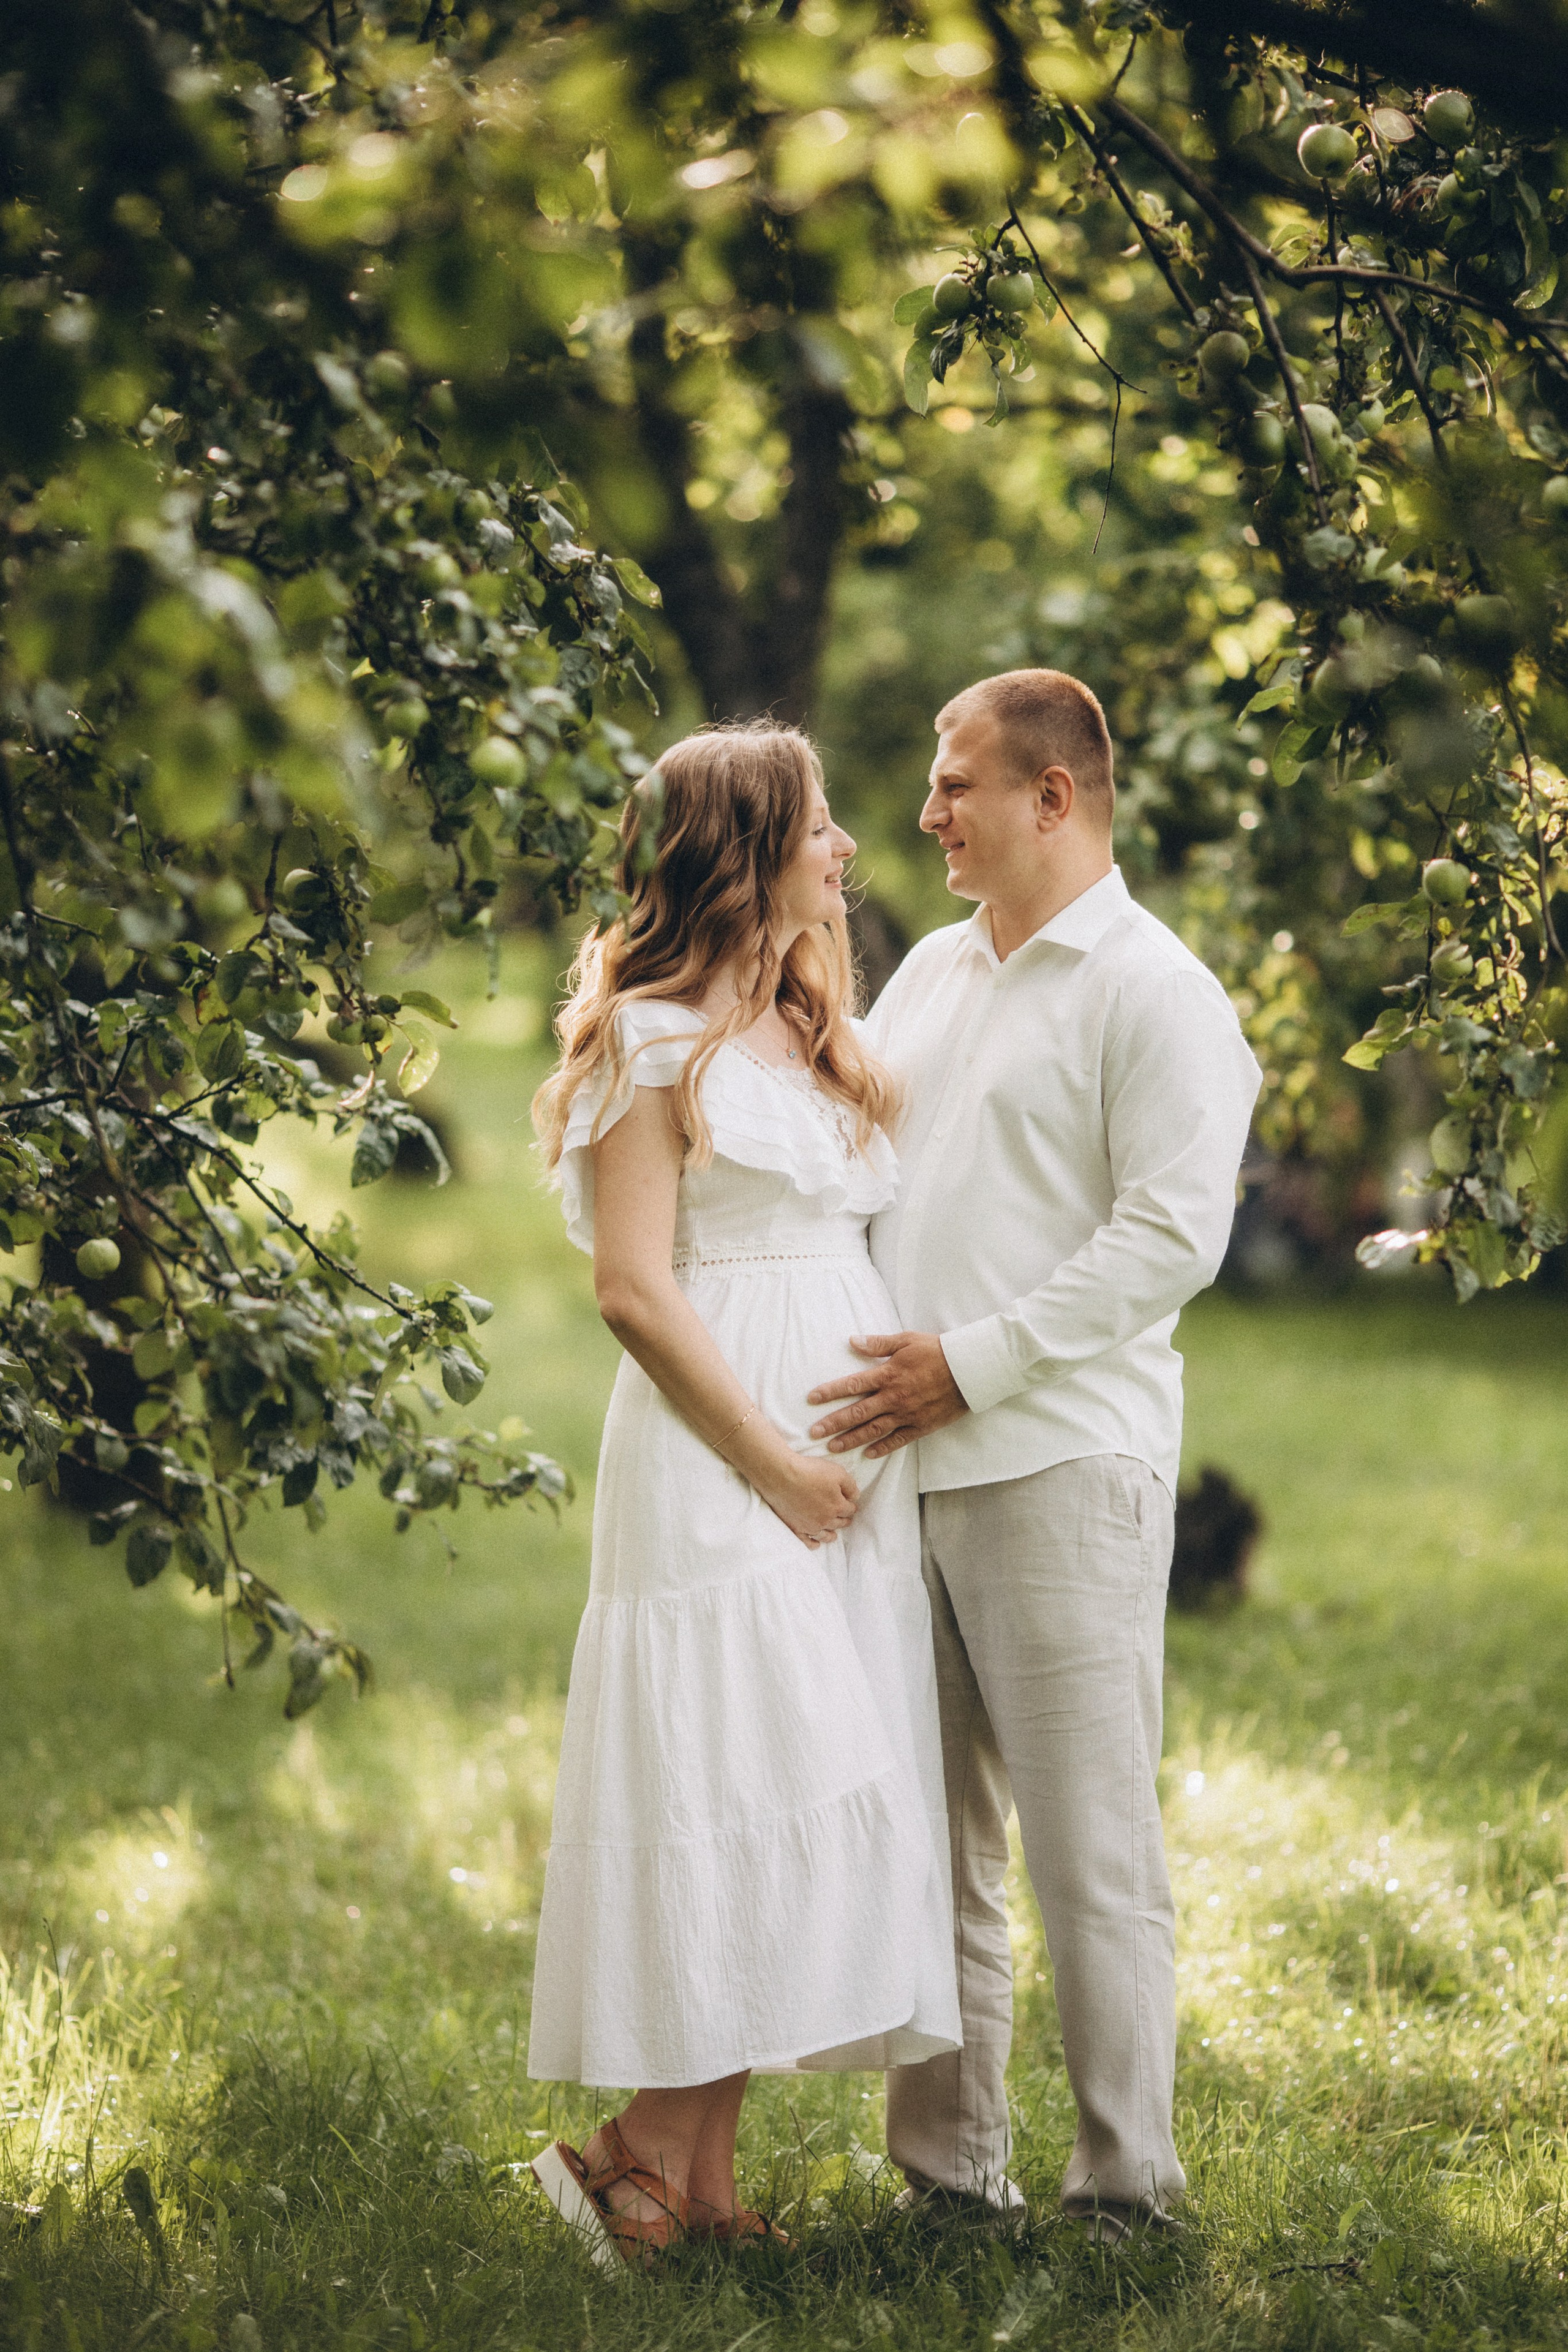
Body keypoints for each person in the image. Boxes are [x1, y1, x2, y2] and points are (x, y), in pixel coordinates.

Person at [806, 668, 1262, 2241]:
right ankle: (947, 2175)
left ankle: (1127, 2187)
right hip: (902, 1475)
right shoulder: (930, 968)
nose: (923, 813)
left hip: (1060, 1461)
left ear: (1050, 798)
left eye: (954, 785)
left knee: (1087, 1849)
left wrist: (968, 1366)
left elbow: (1167, 1240)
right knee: (935, 1852)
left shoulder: (1156, 991)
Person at [525, 723, 960, 2267]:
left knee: (797, 1797)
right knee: (737, 1779)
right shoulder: (647, 1040)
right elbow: (632, 1291)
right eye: (821, 825)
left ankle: (695, 2183)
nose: (846, 849)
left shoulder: (804, 1024)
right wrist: (776, 1462)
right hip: (724, 1458)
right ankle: (631, 2152)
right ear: (746, 848)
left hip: (842, 1472)